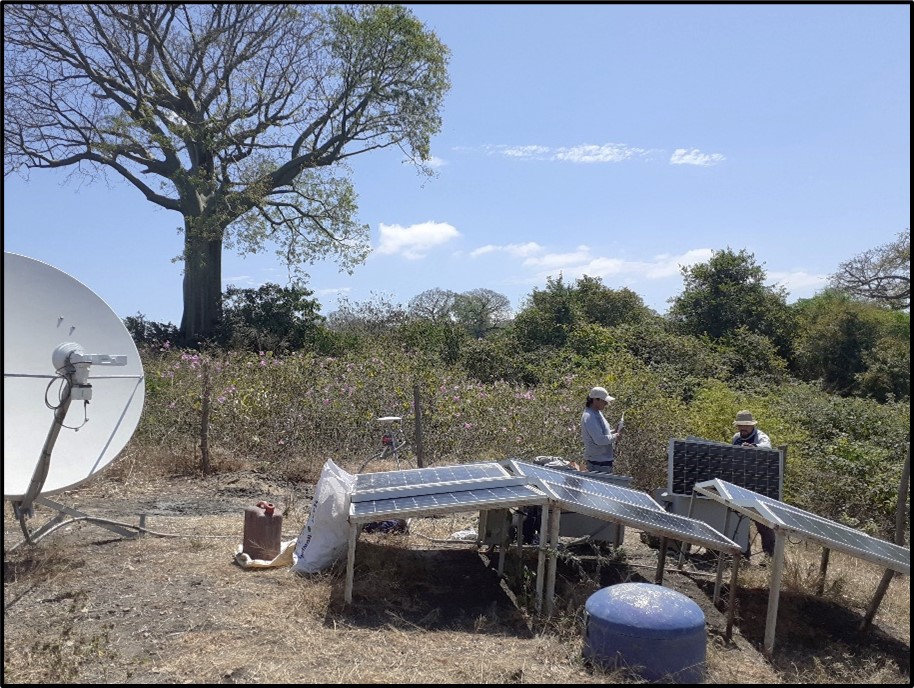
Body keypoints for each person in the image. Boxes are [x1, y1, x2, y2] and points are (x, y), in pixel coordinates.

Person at [731, 410, 775, 558]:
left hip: (759, 487)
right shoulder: (736, 438)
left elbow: (767, 448)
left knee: (763, 524)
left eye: (746, 425)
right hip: (740, 486)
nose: (742, 428)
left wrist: (754, 448)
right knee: (740, 524)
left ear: (752, 425)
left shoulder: (761, 437)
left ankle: (770, 557)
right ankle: (744, 556)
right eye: (740, 425)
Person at [580, 386, 623, 473]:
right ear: (596, 399)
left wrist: (614, 431)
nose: (606, 403)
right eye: (604, 401)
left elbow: (601, 433)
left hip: (603, 462)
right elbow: (599, 440)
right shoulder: (589, 417)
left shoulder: (597, 413)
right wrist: (615, 436)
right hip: (597, 464)